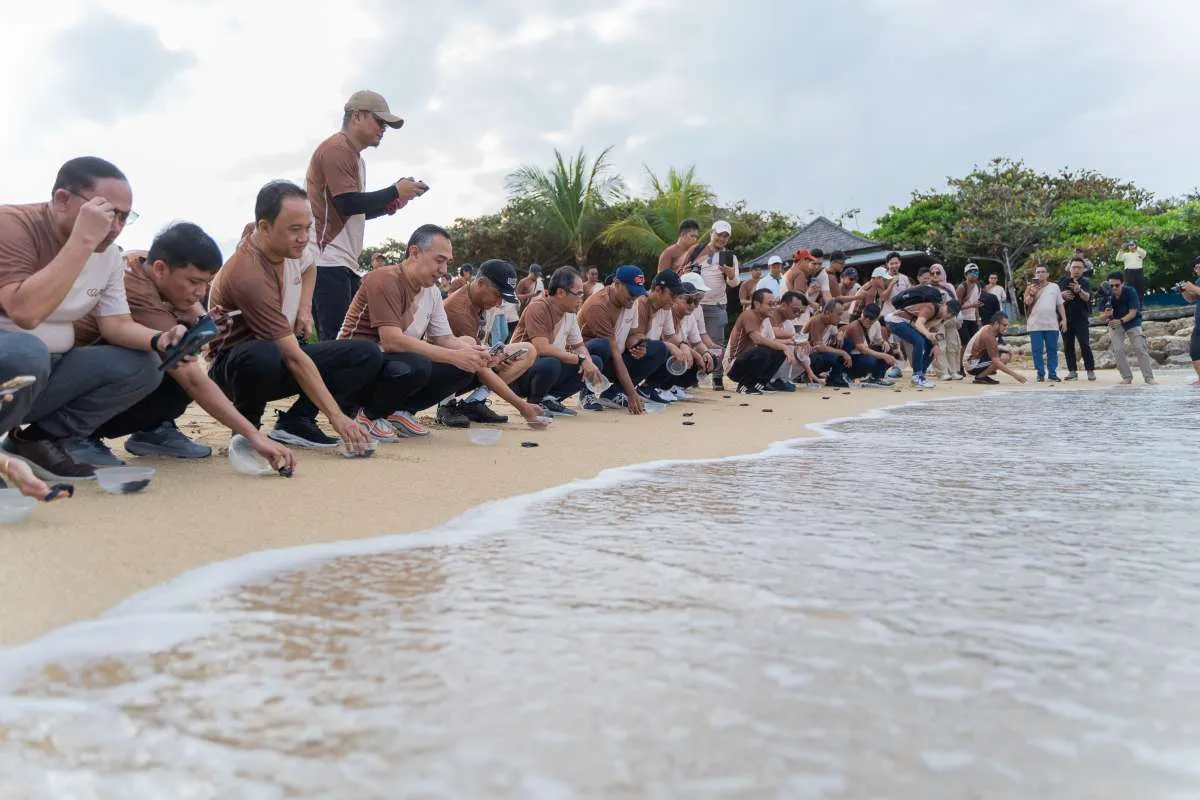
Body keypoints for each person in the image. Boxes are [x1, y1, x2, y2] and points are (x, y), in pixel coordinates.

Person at [0, 156, 187, 480]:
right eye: (105, 213)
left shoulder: (110, 256)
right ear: (62, 200)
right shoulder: (12, 225)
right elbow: (25, 312)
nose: (114, 227)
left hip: (49, 369)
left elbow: (115, 324)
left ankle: (36, 440)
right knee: (26, 351)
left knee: (145, 365)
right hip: (13, 363)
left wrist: (159, 340)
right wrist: (82, 242)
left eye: (124, 218)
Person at [72, 223, 295, 471]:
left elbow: (193, 312)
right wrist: (255, 436)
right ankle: (75, 435)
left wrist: (205, 324)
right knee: (163, 361)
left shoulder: (144, 262)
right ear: (160, 269)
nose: (200, 293)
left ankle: (152, 429)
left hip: (85, 370)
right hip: (71, 380)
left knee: (178, 350)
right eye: (193, 282)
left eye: (206, 283)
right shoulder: (135, 290)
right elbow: (192, 379)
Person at [206, 180, 380, 452]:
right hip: (233, 366)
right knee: (263, 354)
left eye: (308, 228)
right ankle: (245, 431)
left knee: (366, 353)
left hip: (281, 354)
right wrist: (338, 418)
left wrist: (304, 306)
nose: (304, 237)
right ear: (265, 227)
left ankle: (297, 422)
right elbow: (294, 358)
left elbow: (310, 267)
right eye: (295, 229)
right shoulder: (249, 275)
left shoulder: (289, 246)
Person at [339, 224, 542, 435]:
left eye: (447, 262)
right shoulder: (385, 278)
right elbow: (391, 341)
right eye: (439, 260)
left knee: (465, 356)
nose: (444, 270)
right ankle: (369, 415)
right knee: (424, 363)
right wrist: (457, 356)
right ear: (415, 253)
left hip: (392, 366)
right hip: (356, 372)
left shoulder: (432, 292)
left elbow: (444, 338)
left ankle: (397, 411)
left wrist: (476, 354)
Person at [308, 90, 426, 341]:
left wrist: (390, 204)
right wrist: (394, 190)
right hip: (326, 259)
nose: (383, 129)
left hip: (342, 262)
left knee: (352, 341)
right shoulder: (337, 149)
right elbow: (348, 203)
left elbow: (351, 212)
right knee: (339, 345)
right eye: (379, 121)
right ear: (356, 116)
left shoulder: (355, 157)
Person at [440, 258, 544, 425]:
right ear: (480, 283)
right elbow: (474, 358)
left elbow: (479, 347)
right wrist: (522, 406)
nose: (500, 302)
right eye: (498, 295)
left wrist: (494, 356)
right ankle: (446, 405)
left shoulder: (483, 301)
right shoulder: (457, 310)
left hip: (470, 360)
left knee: (528, 350)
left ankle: (474, 402)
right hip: (442, 373)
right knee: (469, 348)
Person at [511, 266, 606, 416]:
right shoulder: (538, 307)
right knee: (552, 362)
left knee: (595, 361)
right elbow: (542, 348)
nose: (581, 299)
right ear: (561, 292)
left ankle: (551, 399)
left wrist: (588, 363)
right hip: (519, 373)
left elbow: (579, 345)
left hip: (546, 370)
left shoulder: (569, 312)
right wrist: (581, 360)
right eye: (578, 294)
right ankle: (535, 402)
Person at [578, 265, 668, 413]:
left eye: (637, 293)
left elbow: (633, 334)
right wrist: (632, 393)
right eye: (631, 292)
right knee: (602, 346)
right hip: (588, 361)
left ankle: (614, 393)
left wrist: (639, 345)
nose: (634, 298)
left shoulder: (631, 302)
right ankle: (586, 393)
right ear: (617, 283)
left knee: (658, 348)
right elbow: (613, 350)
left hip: (614, 357)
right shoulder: (598, 305)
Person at [691, 220, 740, 391]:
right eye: (719, 234)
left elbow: (734, 284)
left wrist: (731, 274)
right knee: (691, 340)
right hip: (694, 304)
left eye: (726, 236)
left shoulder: (730, 257)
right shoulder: (698, 252)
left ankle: (717, 377)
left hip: (717, 304)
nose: (722, 238)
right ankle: (692, 377)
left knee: (717, 343)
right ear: (711, 232)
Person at [633, 270, 691, 404]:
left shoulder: (665, 308)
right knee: (663, 348)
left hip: (648, 351)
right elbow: (635, 340)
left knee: (679, 353)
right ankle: (622, 389)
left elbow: (670, 335)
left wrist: (683, 345)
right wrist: (669, 346)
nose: (674, 300)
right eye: (672, 295)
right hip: (634, 352)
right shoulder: (641, 304)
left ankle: (647, 389)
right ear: (659, 289)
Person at [724, 289, 796, 394]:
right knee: (763, 351)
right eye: (770, 304)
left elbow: (772, 341)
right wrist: (784, 346)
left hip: (747, 360)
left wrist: (790, 343)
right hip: (733, 365)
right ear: (757, 304)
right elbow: (757, 339)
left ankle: (760, 384)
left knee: (779, 352)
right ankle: (745, 386)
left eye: (775, 304)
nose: (774, 307)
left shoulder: (765, 318)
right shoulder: (749, 315)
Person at [883, 284, 945, 389]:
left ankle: (921, 376)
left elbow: (931, 331)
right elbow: (919, 324)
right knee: (919, 341)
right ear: (944, 304)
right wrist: (928, 334)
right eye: (949, 313)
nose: (948, 316)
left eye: (952, 316)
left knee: (931, 346)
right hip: (896, 320)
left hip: (906, 323)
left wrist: (934, 344)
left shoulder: (940, 315)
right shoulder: (930, 307)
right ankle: (916, 377)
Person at [1100, 271, 1156, 385]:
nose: (1114, 288)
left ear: (1123, 283)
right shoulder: (1106, 294)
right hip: (1114, 323)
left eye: (1117, 285)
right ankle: (1126, 377)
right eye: (1111, 285)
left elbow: (1133, 313)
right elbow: (1101, 317)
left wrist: (1120, 321)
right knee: (1118, 350)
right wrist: (1106, 314)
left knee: (1140, 347)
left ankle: (1149, 377)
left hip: (1131, 322)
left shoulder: (1130, 291)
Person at [1022, 265, 1067, 382]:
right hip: (1035, 324)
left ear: (1047, 274)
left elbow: (1060, 304)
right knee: (1037, 350)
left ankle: (1052, 373)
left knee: (1052, 349)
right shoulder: (1030, 287)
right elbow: (1027, 303)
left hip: (1051, 324)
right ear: (1035, 275)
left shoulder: (1054, 287)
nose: (1040, 274)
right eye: (1037, 272)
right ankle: (1040, 373)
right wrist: (1032, 293)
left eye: (1042, 272)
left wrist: (1064, 319)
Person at [840, 304, 897, 386]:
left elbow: (878, 340)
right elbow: (862, 349)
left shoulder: (876, 324)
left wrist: (884, 343)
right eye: (866, 316)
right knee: (870, 360)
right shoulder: (854, 326)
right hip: (852, 358)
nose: (867, 320)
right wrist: (884, 356)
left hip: (864, 354)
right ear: (863, 313)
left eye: (871, 318)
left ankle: (876, 378)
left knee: (887, 349)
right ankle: (849, 375)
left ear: (876, 318)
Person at [1058, 257, 1096, 381]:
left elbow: (1087, 297)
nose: (1076, 270)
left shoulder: (1085, 281)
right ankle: (1072, 371)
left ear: (1083, 269)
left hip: (1081, 318)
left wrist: (1079, 290)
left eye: (1079, 267)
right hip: (1064, 318)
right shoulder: (1063, 280)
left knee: (1085, 345)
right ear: (1070, 268)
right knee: (1068, 346)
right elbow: (1055, 296)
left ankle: (1090, 371)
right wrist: (1061, 295)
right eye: (1074, 267)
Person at [962, 313, 1027, 385]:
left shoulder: (988, 327)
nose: (1006, 328)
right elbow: (996, 361)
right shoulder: (988, 336)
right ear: (996, 323)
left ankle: (984, 374)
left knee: (1006, 354)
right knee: (1004, 358)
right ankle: (980, 376)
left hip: (975, 359)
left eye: (1007, 325)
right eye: (1004, 325)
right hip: (971, 365)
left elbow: (993, 347)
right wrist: (1016, 376)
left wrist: (1011, 350)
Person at [804, 300, 853, 388]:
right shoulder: (816, 321)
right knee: (831, 356)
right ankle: (806, 375)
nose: (840, 318)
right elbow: (819, 347)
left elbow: (837, 336)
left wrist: (839, 336)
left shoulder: (831, 322)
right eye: (838, 314)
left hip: (818, 351)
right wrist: (843, 353)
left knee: (847, 342)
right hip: (807, 355)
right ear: (827, 313)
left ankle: (835, 377)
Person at [928, 264, 963, 381]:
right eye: (932, 273)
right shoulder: (928, 288)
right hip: (937, 321)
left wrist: (958, 317)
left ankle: (953, 370)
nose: (935, 275)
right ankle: (942, 372)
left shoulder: (949, 287)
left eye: (938, 272)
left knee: (953, 345)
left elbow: (956, 303)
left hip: (951, 320)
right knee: (940, 345)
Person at [1177, 256, 1200, 385]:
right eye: (1196, 268)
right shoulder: (1198, 281)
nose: (1198, 270)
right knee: (1195, 351)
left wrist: (1193, 287)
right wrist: (1184, 291)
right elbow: (1191, 299)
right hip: (1199, 323)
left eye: (1199, 267)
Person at [956, 263, 984, 349]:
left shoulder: (978, 287)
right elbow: (956, 307)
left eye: (976, 272)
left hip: (972, 319)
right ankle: (962, 362)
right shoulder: (962, 287)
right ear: (966, 274)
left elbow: (976, 305)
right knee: (965, 343)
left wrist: (978, 319)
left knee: (974, 342)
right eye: (971, 272)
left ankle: (970, 361)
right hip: (962, 319)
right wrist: (971, 305)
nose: (974, 274)